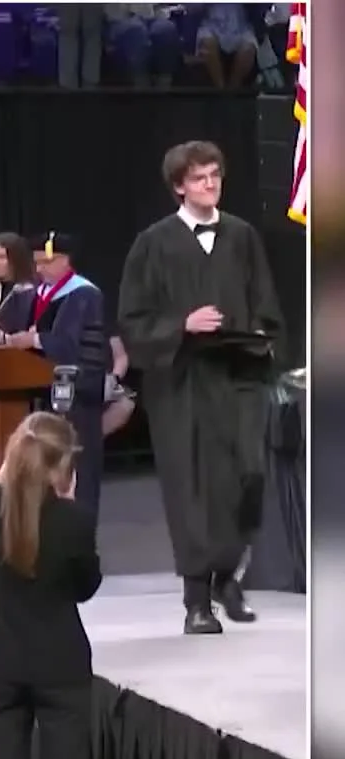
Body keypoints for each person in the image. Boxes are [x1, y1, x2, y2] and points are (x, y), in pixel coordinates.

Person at [118, 140, 284, 635]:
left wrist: (261, 334)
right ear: (179, 187)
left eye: (215, 175)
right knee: (191, 489)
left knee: (249, 476)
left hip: (238, 374)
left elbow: (266, 302)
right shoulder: (153, 243)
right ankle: (197, 601)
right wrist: (182, 325)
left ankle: (226, 573)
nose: (210, 184)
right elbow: (133, 318)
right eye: (199, 178)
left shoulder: (242, 236)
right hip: (183, 380)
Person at [0, 412, 101, 759]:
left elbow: (2, 488)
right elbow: (86, 587)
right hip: (60, 668)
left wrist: (14, 472)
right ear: (61, 468)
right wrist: (66, 500)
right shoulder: (74, 521)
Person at [0, 232, 106, 520]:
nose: (39, 269)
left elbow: (70, 344)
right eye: (36, 263)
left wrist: (34, 340)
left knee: (78, 468)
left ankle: (78, 529)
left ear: (65, 260)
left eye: (46, 262)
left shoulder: (84, 294)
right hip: (41, 391)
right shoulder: (31, 293)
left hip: (77, 394)